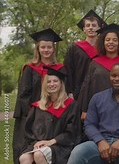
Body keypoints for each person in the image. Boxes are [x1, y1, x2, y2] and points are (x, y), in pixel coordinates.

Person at [67, 63, 119, 164]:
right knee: (78, 152)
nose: (117, 79)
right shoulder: (97, 98)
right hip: (101, 140)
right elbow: (89, 124)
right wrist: (100, 141)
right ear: (109, 77)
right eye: (114, 75)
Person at [13, 28, 64, 164]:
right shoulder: (29, 68)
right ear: (38, 49)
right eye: (43, 47)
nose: (46, 50)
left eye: (49, 47)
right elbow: (24, 96)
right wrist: (34, 115)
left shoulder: (60, 69)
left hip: (54, 117)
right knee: (28, 152)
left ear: (53, 49)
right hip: (32, 117)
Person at [19, 66, 80, 164]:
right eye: (48, 82)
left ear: (61, 83)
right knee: (24, 158)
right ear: (44, 85)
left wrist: (51, 141)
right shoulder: (39, 106)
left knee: (39, 154)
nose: (52, 84)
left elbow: (73, 132)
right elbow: (29, 131)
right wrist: (36, 143)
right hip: (40, 144)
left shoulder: (71, 105)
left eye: (55, 81)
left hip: (60, 145)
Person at [77, 23, 119, 121]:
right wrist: (84, 110)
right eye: (107, 40)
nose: (111, 42)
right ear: (103, 42)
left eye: (114, 40)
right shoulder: (95, 63)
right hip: (97, 109)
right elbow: (87, 87)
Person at [64, 9, 107, 100]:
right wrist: (69, 91)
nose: (91, 28)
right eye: (88, 25)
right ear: (84, 29)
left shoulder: (104, 49)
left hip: (100, 91)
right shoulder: (74, 48)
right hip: (78, 93)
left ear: (99, 28)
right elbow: (68, 70)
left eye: (94, 25)